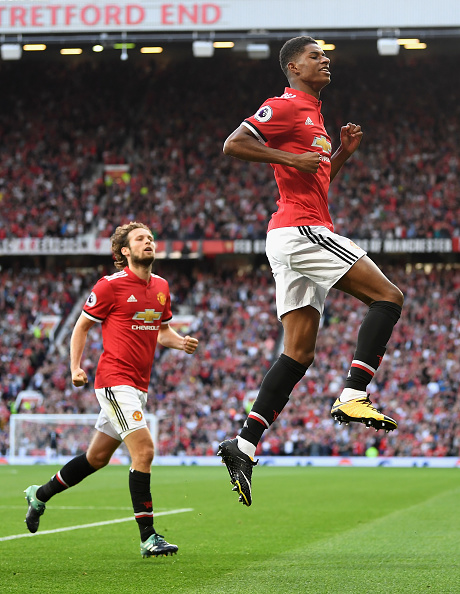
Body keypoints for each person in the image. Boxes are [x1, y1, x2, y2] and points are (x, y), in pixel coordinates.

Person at [217, 36, 404, 506]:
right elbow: (233, 144)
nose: (326, 60)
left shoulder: (315, 115)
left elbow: (314, 180)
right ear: (294, 67)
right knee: (388, 296)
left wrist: (341, 155)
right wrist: (286, 157)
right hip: (300, 231)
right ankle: (353, 393)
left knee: (298, 354)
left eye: (325, 55)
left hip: (297, 231)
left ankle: (243, 444)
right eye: (315, 56)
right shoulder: (284, 106)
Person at [24, 222, 199, 557]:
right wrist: (75, 367)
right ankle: (148, 536)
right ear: (125, 251)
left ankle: (40, 494)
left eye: (150, 238)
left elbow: (162, 331)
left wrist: (181, 342)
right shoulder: (109, 286)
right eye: (140, 239)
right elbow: (81, 326)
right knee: (144, 451)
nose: (148, 242)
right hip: (114, 381)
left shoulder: (161, 286)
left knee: (97, 458)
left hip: (138, 386)